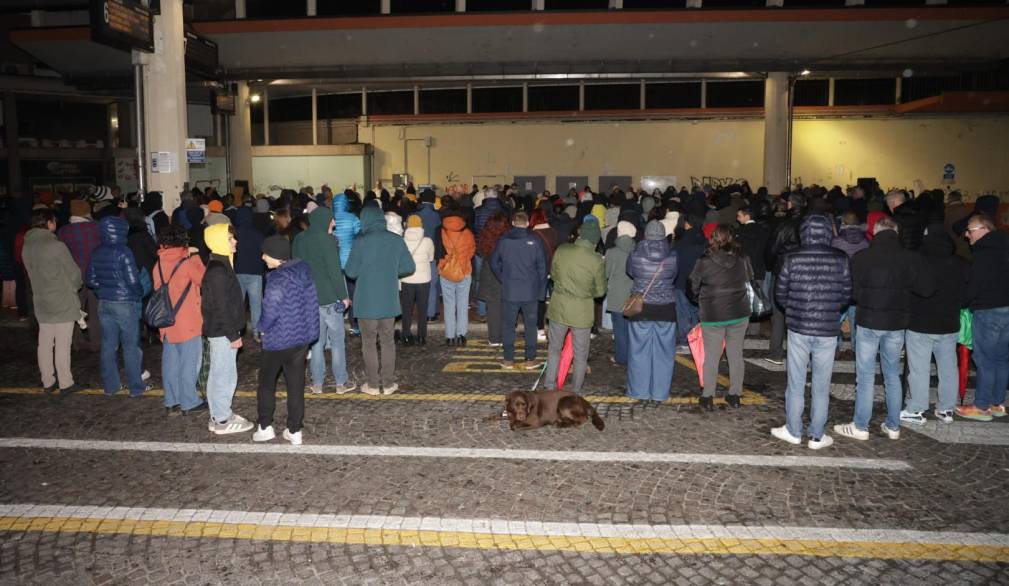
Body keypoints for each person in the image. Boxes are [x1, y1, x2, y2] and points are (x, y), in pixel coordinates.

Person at [834, 217, 932, 441]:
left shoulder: (862, 257)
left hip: (869, 321)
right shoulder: (910, 258)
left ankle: (860, 426)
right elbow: (925, 289)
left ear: (874, 232)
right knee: (892, 375)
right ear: (896, 233)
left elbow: (853, 294)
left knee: (865, 376)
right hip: (896, 324)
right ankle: (893, 425)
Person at [770, 214, 851, 449]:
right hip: (827, 328)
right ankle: (817, 435)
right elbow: (846, 295)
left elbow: (780, 294)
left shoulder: (791, 257)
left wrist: (794, 309)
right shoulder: (841, 259)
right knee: (821, 383)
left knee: (795, 382)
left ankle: (794, 430)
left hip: (799, 327)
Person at [253, 235, 320, 446]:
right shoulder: (304, 271)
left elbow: (270, 312)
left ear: (276, 256)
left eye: (266, 253)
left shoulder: (276, 280)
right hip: (300, 339)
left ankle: (264, 427)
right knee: (295, 385)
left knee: (266, 384)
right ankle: (294, 430)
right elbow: (311, 305)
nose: (263, 257)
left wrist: (261, 328)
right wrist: (311, 335)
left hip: (277, 341)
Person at [344, 206, 416, 395]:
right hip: (388, 300)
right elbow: (409, 266)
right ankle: (389, 383)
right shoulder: (395, 240)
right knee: (387, 341)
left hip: (366, 300)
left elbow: (351, 272)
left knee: (368, 343)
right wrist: (392, 271)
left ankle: (373, 385)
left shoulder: (360, 241)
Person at [905, 226, 966, 424]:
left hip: (920, 323)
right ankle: (946, 409)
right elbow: (967, 294)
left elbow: (916, 290)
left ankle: (916, 408)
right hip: (949, 323)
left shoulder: (920, 261)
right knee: (948, 367)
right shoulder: (960, 263)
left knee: (919, 368)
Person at [688, 225, 751, 410]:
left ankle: (707, 396)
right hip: (739, 312)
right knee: (736, 355)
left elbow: (692, 284)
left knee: (712, 356)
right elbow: (749, 281)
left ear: (713, 238)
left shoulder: (704, 260)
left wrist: (698, 297)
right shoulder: (743, 258)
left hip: (713, 313)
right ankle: (735, 395)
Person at [293, 206, 355, 394]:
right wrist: (344, 296)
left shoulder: (299, 239)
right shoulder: (327, 241)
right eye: (331, 220)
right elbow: (334, 272)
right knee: (337, 341)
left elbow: (294, 268)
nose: (334, 224)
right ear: (324, 221)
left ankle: (317, 383)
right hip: (329, 298)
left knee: (316, 343)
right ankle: (340, 383)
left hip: (308, 298)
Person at [22, 208, 83, 396]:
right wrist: (75, 286)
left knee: (45, 342)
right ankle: (66, 382)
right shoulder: (56, 246)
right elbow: (74, 274)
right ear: (49, 223)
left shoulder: (27, 246)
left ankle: (47, 381)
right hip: (62, 299)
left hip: (41, 299)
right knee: (63, 343)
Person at [201, 223, 254, 435]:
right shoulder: (218, 270)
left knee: (219, 373)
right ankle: (222, 420)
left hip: (222, 330)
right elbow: (220, 306)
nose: (235, 241)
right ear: (220, 241)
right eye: (231, 238)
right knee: (224, 374)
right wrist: (233, 335)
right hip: (223, 331)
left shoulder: (222, 264)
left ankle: (219, 414)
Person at [86, 215, 148, 397]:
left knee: (108, 346)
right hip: (124, 303)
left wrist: (103, 291)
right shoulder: (124, 251)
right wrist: (137, 294)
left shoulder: (96, 251)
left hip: (104, 303)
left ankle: (111, 386)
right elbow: (132, 281)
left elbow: (90, 279)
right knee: (131, 347)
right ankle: (136, 387)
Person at [543, 219, 606, 394]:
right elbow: (600, 291)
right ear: (594, 240)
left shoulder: (562, 250)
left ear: (580, 234)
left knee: (554, 348)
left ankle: (549, 385)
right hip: (582, 312)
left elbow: (554, 275)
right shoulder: (596, 259)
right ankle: (576, 390)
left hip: (559, 307)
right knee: (580, 354)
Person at [957, 215, 1009, 421]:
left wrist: (962, 302)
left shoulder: (983, 253)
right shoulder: (1005, 246)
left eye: (970, 230)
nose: (967, 235)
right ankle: (997, 403)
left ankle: (981, 406)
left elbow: (974, 285)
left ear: (984, 229)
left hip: (988, 310)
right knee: (1002, 359)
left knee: (985, 359)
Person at [152, 225, 208, 416]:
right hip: (188, 322)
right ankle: (189, 401)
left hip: (166, 322)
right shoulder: (188, 262)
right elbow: (204, 280)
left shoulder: (158, 264)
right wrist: (196, 256)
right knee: (190, 363)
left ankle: (171, 400)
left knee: (170, 363)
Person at [625, 220, 678, 402]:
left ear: (645, 234)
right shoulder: (672, 256)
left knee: (638, 351)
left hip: (641, 307)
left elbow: (630, 272)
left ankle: (639, 391)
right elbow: (674, 275)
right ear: (663, 235)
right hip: (666, 308)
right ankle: (660, 392)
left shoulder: (635, 255)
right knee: (664, 353)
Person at [490, 211, 548, 369]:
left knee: (508, 325)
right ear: (528, 223)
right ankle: (530, 359)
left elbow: (494, 262)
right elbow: (543, 269)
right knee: (531, 326)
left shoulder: (504, 241)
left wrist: (503, 278)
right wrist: (541, 292)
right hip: (530, 291)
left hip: (510, 290)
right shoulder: (535, 241)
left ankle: (508, 358)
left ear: (513, 223)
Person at [764, 192, 806, 365]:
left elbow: (771, 249)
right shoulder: (809, 223)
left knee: (778, 313)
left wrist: (771, 266)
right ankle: (799, 354)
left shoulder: (784, 225)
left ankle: (776, 353)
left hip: (782, 271)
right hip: (803, 273)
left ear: (789, 204)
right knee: (800, 313)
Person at [57, 199, 101, 352]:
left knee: (75, 310)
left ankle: (77, 342)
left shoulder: (63, 231)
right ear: (87, 212)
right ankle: (96, 342)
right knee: (96, 310)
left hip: (73, 276)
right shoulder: (96, 227)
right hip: (95, 274)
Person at [832, 211, 870, 346]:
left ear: (843, 224)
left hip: (840, 284)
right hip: (858, 285)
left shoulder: (836, 241)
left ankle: (836, 344)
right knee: (855, 318)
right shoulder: (866, 242)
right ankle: (855, 345)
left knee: (837, 317)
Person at [438, 214, 476, 346]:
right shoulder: (468, 233)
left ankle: (449, 336)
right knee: (463, 303)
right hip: (464, 271)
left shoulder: (441, 231)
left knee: (448, 304)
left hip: (446, 272)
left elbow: (438, 251)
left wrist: (445, 262)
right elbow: (472, 251)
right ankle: (461, 335)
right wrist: (462, 260)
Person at [476, 213, 511, 347]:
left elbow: (480, 252)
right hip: (505, 272)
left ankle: (494, 338)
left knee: (493, 308)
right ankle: (504, 336)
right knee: (506, 307)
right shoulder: (508, 239)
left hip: (489, 272)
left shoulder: (486, 238)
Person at [605, 221, 636, 366]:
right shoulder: (637, 251)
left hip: (617, 294)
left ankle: (621, 357)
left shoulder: (612, 252)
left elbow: (606, 273)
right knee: (632, 328)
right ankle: (633, 355)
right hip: (634, 295)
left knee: (619, 328)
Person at [672, 215, 706, 348]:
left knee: (682, 311)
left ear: (687, 224)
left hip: (681, 281)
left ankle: (684, 338)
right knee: (696, 311)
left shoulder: (680, 242)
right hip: (700, 283)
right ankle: (696, 337)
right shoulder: (705, 242)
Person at [400, 215, 434, 345]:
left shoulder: (402, 241)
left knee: (407, 309)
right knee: (422, 308)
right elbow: (431, 258)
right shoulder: (427, 241)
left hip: (407, 279)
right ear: (421, 225)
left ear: (407, 225)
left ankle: (406, 335)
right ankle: (421, 336)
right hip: (424, 279)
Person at [233, 207, 265, 342]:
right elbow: (262, 253)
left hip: (238, 272)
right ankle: (257, 332)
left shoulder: (234, 234)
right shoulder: (258, 234)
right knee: (256, 304)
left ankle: (237, 331)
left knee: (237, 303)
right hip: (255, 272)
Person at [735, 205, 769, 289]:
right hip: (760, 268)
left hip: (745, 269)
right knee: (759, 295)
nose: (737, 219)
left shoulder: (740, 232)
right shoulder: (764, 230)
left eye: (739, 216)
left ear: (747, 217)